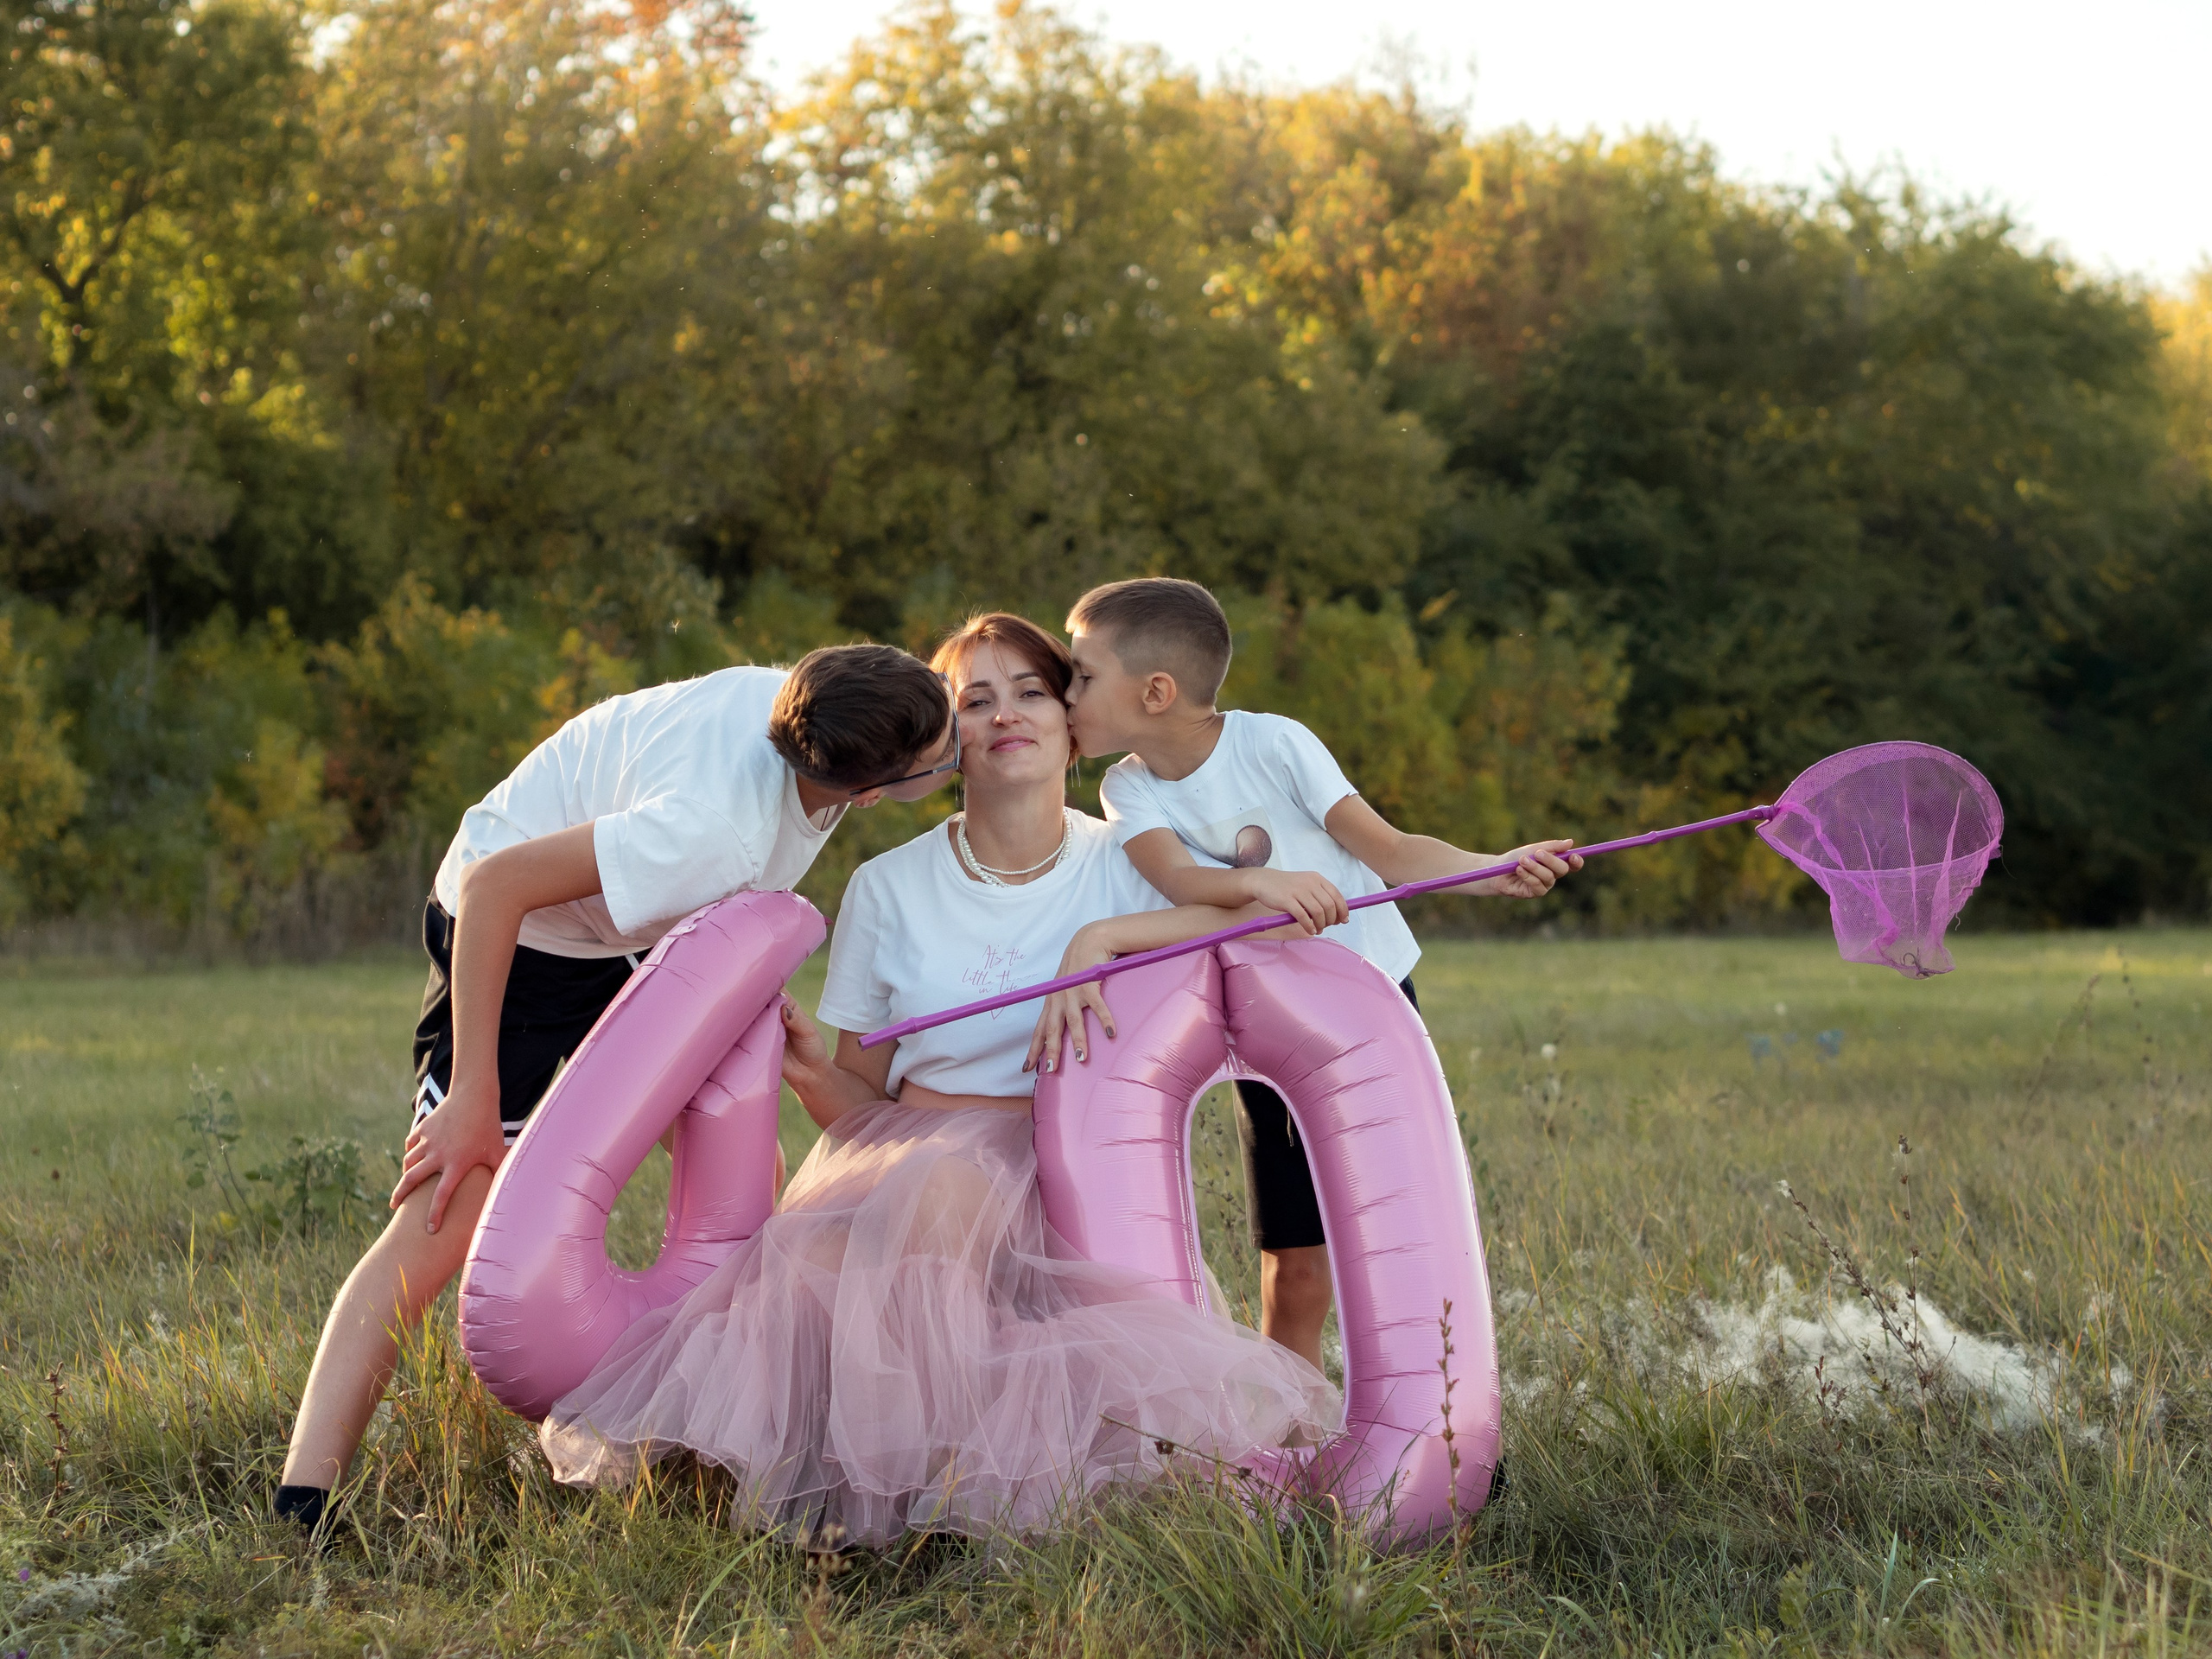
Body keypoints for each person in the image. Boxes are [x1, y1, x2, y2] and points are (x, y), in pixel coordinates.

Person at [537, 614, 1338, 1545]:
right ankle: (851, 1499)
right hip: (895, 1155)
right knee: (816, 1263)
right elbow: (858, 1108)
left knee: (946, 1197)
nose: (1008, 715)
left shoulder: (1128, 866)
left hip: (1048, 1163)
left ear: (1073, 718)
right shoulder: (887, 885)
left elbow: (1262, 926)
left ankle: (927, 1505)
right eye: (976, 699)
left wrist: (1114, 936)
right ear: (942, 737)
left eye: (1033, 691)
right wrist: (807, 1074)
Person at [274, 645, 958, 1532]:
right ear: (871, 791)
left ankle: (713, 1436)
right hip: (515, 933)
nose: (959, 745)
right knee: (445, 1214)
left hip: (628, 928)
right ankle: (303, 1500)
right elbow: (497, 885)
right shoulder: (714, 832)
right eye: (945, 749)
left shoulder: (821, 712)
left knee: (741, 1160)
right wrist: (474, 1099)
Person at [1062, 577, 1582, 1370]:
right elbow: (1182, 883)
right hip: (1262, 1028)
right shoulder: (1126, 786)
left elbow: (1394, 852)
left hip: (1370, 1005)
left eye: (1082, 675)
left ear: (1156, 691)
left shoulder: (1274, 744)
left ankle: (1441, 1420)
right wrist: (1261, 883)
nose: (1066, 694)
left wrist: (1493, 868)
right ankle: (1291, 1430)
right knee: (1295, 1264)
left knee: (1397, 1232)